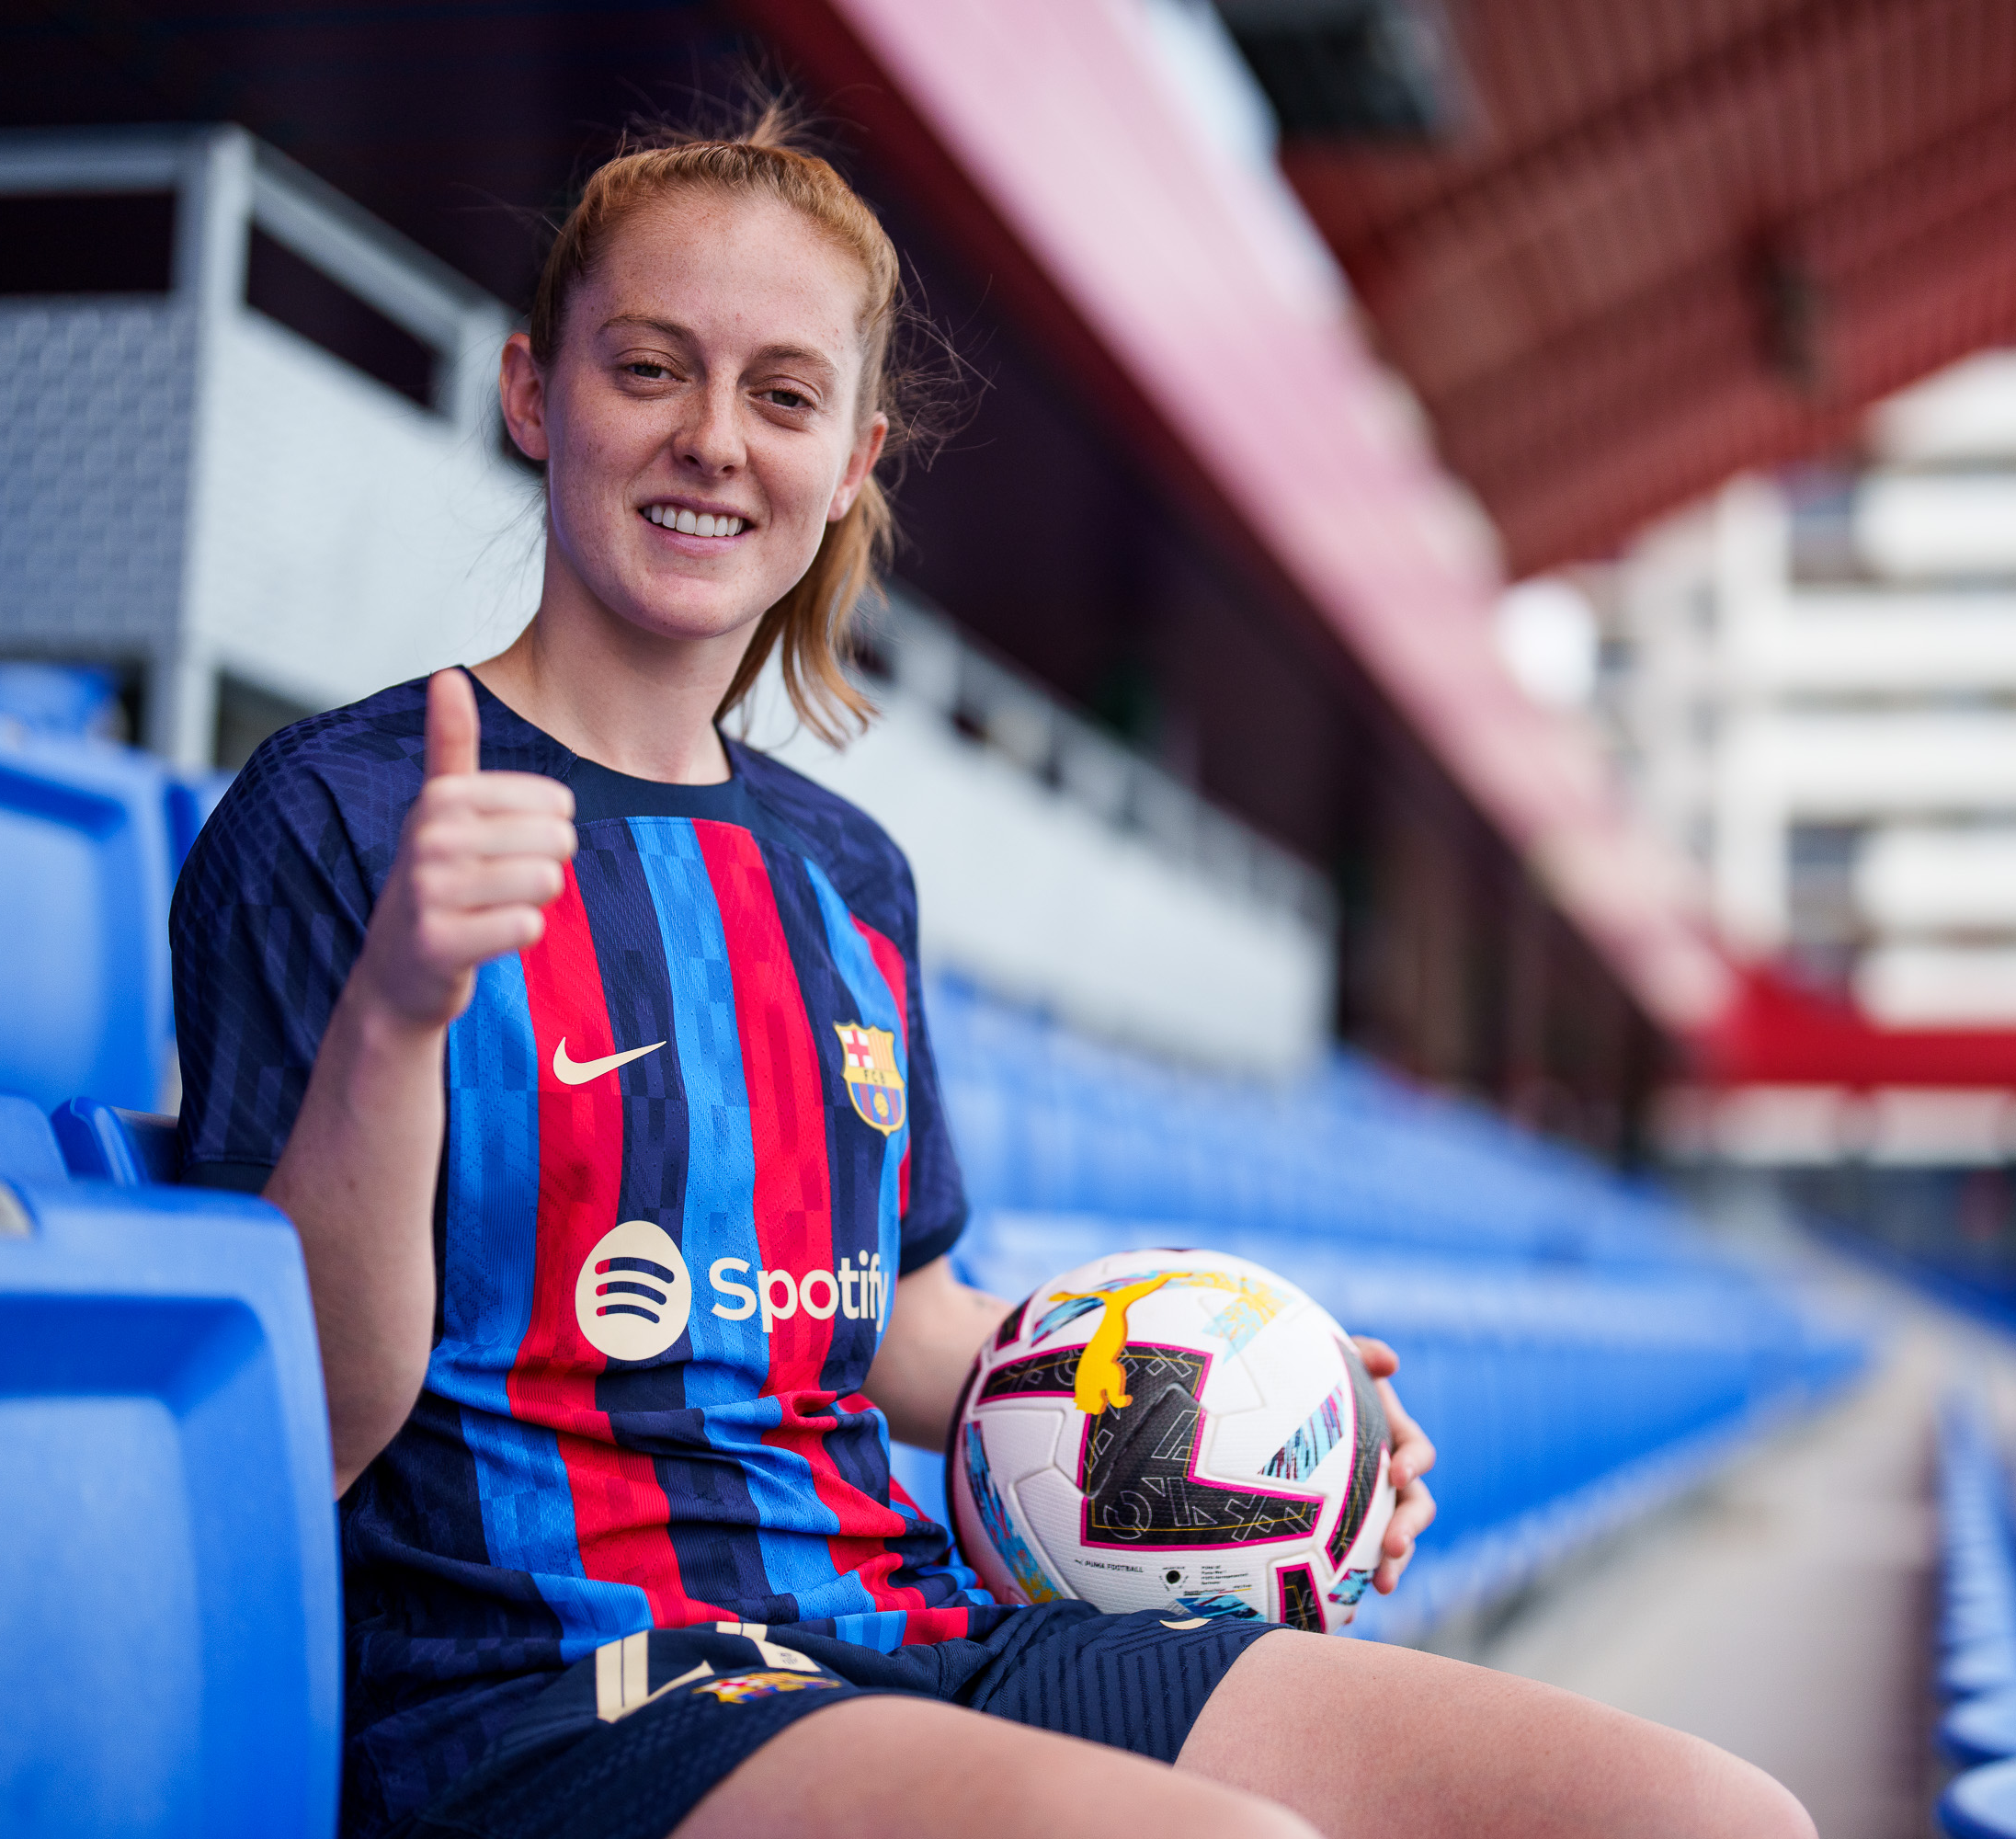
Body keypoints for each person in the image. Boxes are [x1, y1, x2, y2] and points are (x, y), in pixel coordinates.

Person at [170, 113, 1817, 1839]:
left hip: (899, 1625)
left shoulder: (844, 876)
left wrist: (1264, 1433)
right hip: (549, 1687)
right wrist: (399, 1015)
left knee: (1707, 1819)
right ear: (534, 393)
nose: (713, 440)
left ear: (855, 456)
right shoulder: (346, 820)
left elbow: (889, 1320)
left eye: (783, 395)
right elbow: (307, 1423)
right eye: (651, 369)